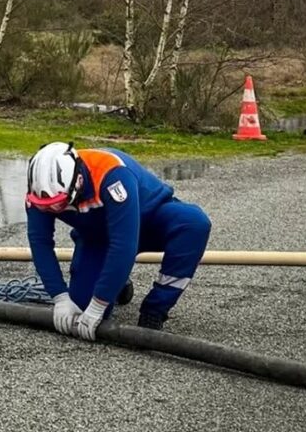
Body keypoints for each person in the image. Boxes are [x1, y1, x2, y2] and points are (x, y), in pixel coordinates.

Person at [24, 142, 211, 340]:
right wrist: (60, 297)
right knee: (81, 308)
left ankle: (155, 310)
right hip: (99, 237)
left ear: (78, 181)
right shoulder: (39, 192)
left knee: (194, 224)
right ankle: (118, 283)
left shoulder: (112, 175)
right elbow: (40, 243)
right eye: (48, 207)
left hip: (149, 220)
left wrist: (99, 304)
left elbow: (123, 245)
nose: (54, 210)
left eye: (59, 204)